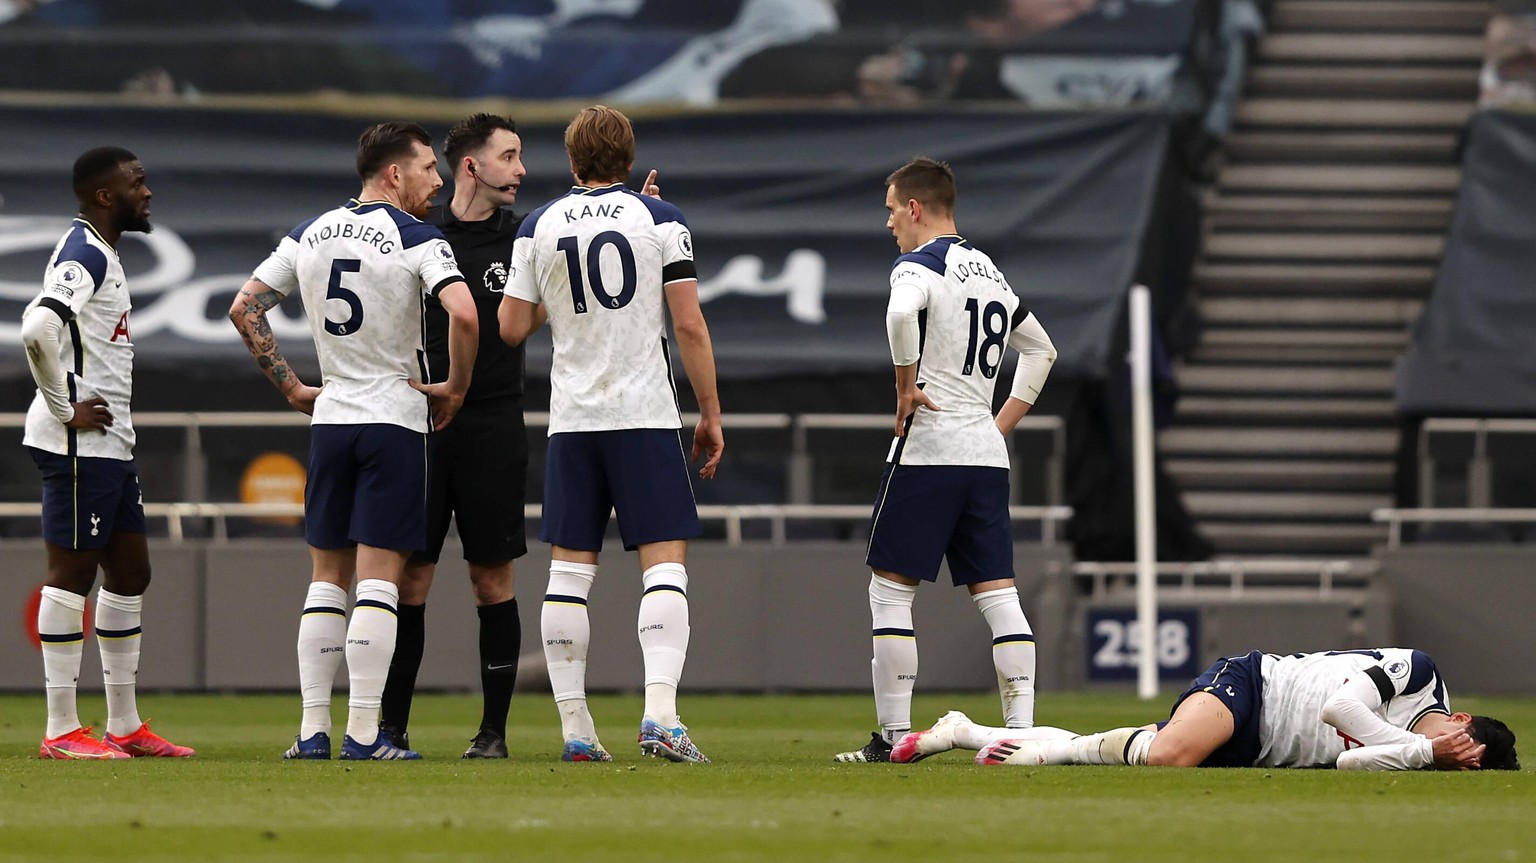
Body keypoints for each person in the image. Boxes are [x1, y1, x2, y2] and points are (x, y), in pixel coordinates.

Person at [229, 122, 479, 761]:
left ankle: (312, 731)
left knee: (325, 579)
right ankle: (365, 734)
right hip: (393, 418)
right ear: (393, 174)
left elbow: (244, 307)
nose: (437, 179)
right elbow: (466, 312)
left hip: (332, 417)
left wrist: (291, 387)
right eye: (427, 167)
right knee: (379, 581)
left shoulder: (308, 232)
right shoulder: (418, 236)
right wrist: (452, 387)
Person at [499, 104, 724, 764]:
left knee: (568, 574)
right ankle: (660, 717)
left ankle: (575, 729)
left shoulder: (539, 224)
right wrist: (709, 410)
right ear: (629, 160)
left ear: (572, 161)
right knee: (664, 567)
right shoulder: (660, 218)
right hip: (645, 414)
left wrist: (558, 286)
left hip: (574, 419)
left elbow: (512, 327)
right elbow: (688, 325)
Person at [835, 157, 1057, 764]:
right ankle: (1023, 733)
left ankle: (891, 738)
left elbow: (901, 313)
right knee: (998, 594)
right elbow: (1042, 351)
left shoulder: (918, 264)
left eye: (889, 211)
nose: (889, 226)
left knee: (890, 593)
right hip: (983, 457)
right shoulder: (989, 271)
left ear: (913, 207)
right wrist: (997, 425)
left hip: (928, 451)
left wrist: (905, 387)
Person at [20, 146, 195, 760]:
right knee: (72, 577)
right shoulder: (85, 250)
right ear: (104, 196)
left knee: (130, 572)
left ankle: (124, 724)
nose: (147, 193)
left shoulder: (104, 250)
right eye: (137, 183)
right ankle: (61, 730)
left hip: (110, 446)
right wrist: (66, 406)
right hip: (77, 444)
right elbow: (37, 327)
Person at [898, 647, 1521, 771]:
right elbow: (1338, 707)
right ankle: (1041, 756)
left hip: (1260, 751)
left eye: (1453, 765)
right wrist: (1419, 747)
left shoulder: (1417, 760)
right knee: (1172, 754)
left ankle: (965, 729)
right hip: (1257, 685)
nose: (1442, 757)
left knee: (1140, 745)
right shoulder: (1420, 673)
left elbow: (1347, 767)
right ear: (1460, 719)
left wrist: (1422, 757)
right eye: (1453, 746)